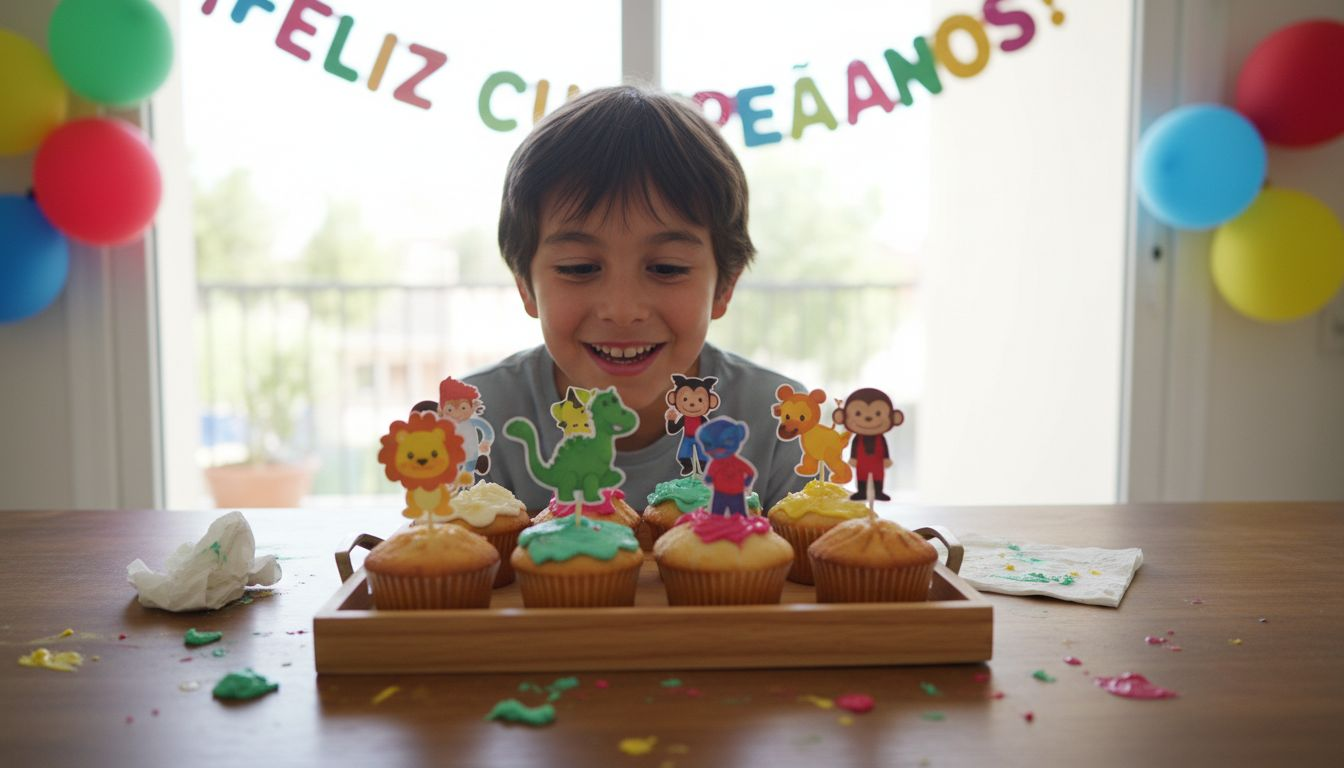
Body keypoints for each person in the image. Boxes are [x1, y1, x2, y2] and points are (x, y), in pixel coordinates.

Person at [465, 85, 806, 513]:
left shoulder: (783, 421)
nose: (623, 311)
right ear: (524, 284)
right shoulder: (476, 417)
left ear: (724, 288)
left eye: (667, 268)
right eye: (578, 268)